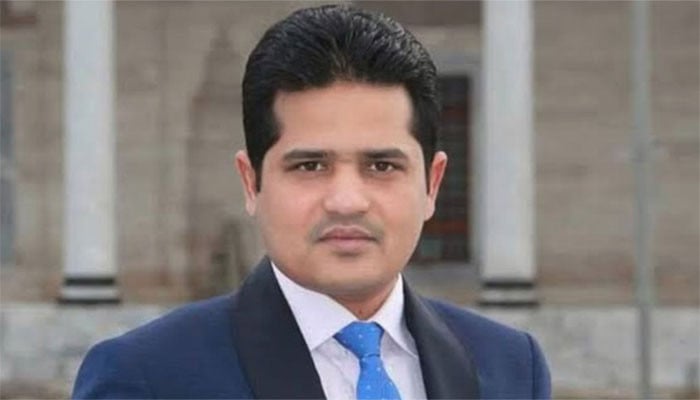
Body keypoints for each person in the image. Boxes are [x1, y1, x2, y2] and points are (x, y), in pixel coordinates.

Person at [73, 5, 550, 399]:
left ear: (432, 184)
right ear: (251, 182)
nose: (347, 201)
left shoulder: (511, 367)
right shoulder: (147, 377)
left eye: (382, 166)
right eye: (310, 166)